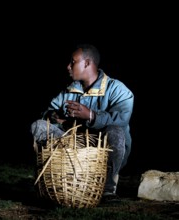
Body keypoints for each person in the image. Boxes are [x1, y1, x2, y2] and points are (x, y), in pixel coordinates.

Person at [30, 43, 134, 201]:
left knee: (116, 131)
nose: (68, 66)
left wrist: (91, 115)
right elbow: (47, 113)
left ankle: (107, 188)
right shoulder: (70, 90)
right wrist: (54, 117)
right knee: (38, 126)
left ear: (87, 63)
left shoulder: (118, 90)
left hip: (104, 153)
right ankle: (51, 180)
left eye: (73, 62)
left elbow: (121, 120)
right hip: (75, 150)